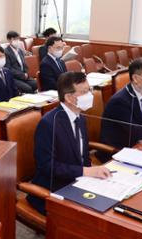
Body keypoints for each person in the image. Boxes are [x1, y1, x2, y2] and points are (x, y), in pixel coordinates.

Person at [27, 71, 111, 214]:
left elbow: (83, 156)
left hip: (78, 181)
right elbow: (47, 166)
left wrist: (91, 174)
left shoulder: (81, 118)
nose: (90, 95)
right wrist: (85, 171)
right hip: (53, 188)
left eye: (89, 90)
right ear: (69, 98)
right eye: (84, 92)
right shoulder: (49, 123)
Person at [98, 57, 142, 162]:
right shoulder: (120, 101)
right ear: (135, 78)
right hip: (118, 152)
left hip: (138, 145)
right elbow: (136, 132)